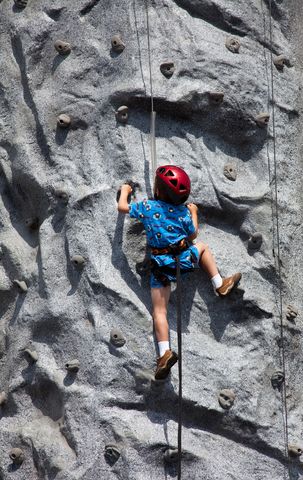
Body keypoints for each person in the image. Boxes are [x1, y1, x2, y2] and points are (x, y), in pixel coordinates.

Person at [117, 165, 241, 380]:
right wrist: (193, 212)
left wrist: (126, 190)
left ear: (158, 189)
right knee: (202, 248)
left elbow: (122, 208)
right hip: (183, 261)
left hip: (161, 268)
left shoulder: (147, 206)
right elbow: (192, 235)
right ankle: (219, 283)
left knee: (159, 312)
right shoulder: (183, 211)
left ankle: (164, 353)